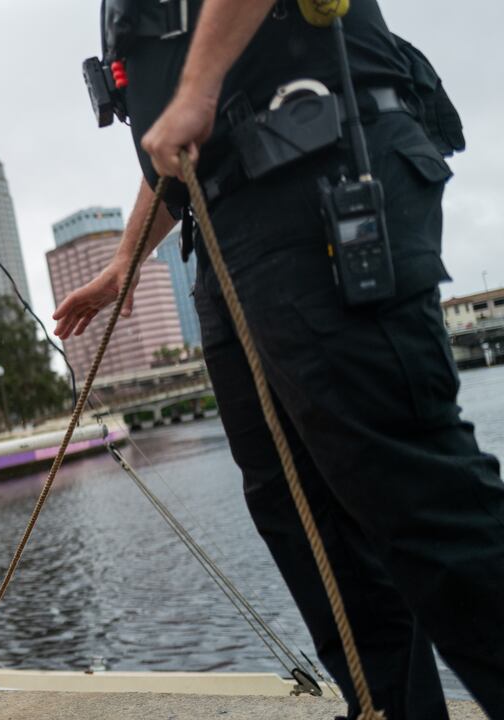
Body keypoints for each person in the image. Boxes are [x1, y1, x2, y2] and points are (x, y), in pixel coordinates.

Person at [55, 2, 504, 718]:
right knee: (296, 506)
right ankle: (387, 707)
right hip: (233, 214)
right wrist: (123, 264)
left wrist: (197, 92)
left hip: (320, 168)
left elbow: (194, 105)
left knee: (408, 484)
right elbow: (177, 136)